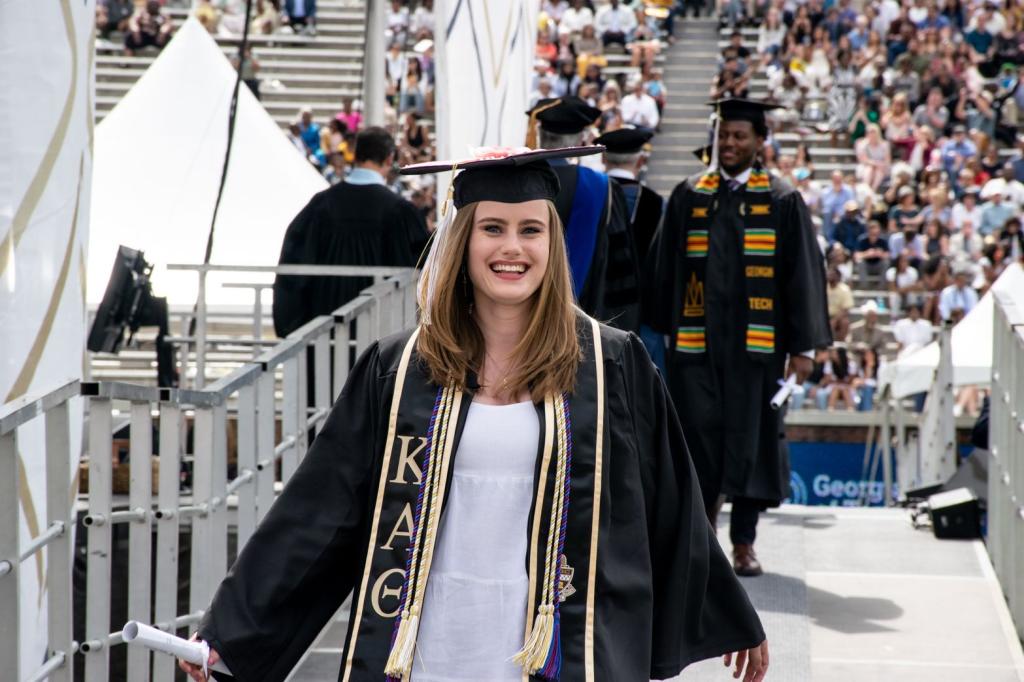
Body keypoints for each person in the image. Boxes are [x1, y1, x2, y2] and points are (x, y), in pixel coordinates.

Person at [180, 147, 769, 682]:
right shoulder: (400, 367)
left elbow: (671, 500)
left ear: (552, 244)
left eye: (530, 230)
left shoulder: (612, 363)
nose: (512, 248)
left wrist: (731, 613)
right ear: (463, 243)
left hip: (558, 648)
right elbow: (318, 512)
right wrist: (232, 634)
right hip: (427, 645)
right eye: (492, 228)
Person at [643, 98, 831, 577]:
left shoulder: (781, 199)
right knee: (697, 440)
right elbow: (665, 267)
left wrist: (803, 348)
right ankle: (701, 537)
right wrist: (660, 332)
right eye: (724, 135)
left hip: (757, 351)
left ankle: (743, 542)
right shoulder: (690, 194)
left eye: (740, 137)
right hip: (695, 348)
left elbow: (802, 277)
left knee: (750, 443)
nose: (730, 144)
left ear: (759, 142)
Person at [272, 127, 428, 337]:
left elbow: (294, 267)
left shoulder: (320, 207)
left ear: (355, 155)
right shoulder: (401, 212)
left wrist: (290, 327)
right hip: (381, 341)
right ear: (390, 158)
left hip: (326, 338)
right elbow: (422, 271)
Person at [528, 97, 641, 331]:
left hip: (521, 320)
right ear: (580, 141)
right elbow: (618, 273)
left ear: (539, 136)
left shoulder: (515, 181)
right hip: (587, 327)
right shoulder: (600, 187)